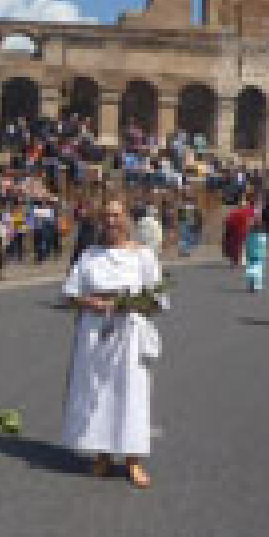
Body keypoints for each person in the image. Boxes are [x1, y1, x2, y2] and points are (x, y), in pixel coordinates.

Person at [62, 194, 163, 489]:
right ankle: (103, 454)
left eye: (116, 216)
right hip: (94, 331)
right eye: (106, 216)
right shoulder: (89, 254)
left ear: (127, 219)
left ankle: (133, 460)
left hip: (130, 333)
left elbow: (158, 299)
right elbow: (70, 293)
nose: (111, 221)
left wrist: (131, 304)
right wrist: (91, 302)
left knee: (131, 392)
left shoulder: (143, 256)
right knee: (97, 392)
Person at [244, 219, 268, 292]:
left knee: (251, 271)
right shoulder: (262, 236)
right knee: (258, 271)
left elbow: (248, 245)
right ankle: (257, 286)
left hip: (251, 255)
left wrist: (247, 253)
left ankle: (252, 285)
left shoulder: (250, 236)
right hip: (259, 256)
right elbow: (263, 246)